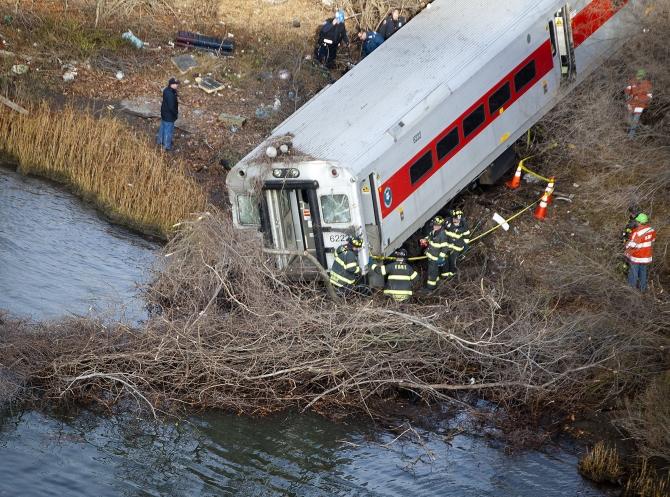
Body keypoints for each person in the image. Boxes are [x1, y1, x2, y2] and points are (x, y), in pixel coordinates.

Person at [625, 213, 656, 292]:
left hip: (637, 257)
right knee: (643, 272)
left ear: (638, 222)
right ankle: (643, 289)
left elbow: (632, 245)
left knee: (633, 273)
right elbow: (652, 240)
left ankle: (631, 290)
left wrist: (626, 244)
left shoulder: (637, 232)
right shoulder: (651, 230)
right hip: (646, 256)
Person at [420, 216, 449, 290]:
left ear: (441, 225)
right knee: (434, 272)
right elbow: (429, 237)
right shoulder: (433, 231)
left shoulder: (442, 235)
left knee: (432, 273)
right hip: (431, 256)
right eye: (434, 225)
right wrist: (424, 240)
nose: (435, 226)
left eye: (437, 225)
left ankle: (430, 288)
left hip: (435, 258)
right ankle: (437, 283)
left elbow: (445, 248)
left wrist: (441, 257)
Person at [441, 210, 470, 279]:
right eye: (454, 218)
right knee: (445, 260)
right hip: (446, 245)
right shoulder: (447, 222)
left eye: (457, 219)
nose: (455, 220)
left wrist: (464, 247)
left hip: (456, 247)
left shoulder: (464, 225)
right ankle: (445, 276)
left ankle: (451, 275)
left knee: (453, 261)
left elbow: (466, 236)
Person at [624, 69, 653, 137]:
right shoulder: (632, 82)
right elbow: (627, 91)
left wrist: (640, 99)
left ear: (643, 77)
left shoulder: (647, 85)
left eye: (641, 76)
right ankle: (629, 130)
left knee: (635, 120)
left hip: (640, 105)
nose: (639, 78)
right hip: (631, 103)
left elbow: (650, 96)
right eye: (638, 76)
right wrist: (629, 92)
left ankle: (630, 136)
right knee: (629, 118)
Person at [157, 78, 179, 151]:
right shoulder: (170, 94)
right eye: (176, 84)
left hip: (164, 113)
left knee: (163, 127)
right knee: (168, 131)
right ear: (171, 84)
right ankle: (166, 146)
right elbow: (171, 107)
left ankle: (160, 141)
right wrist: (175, 114)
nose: (177, 85)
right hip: (169, 116)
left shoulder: (167, 90)